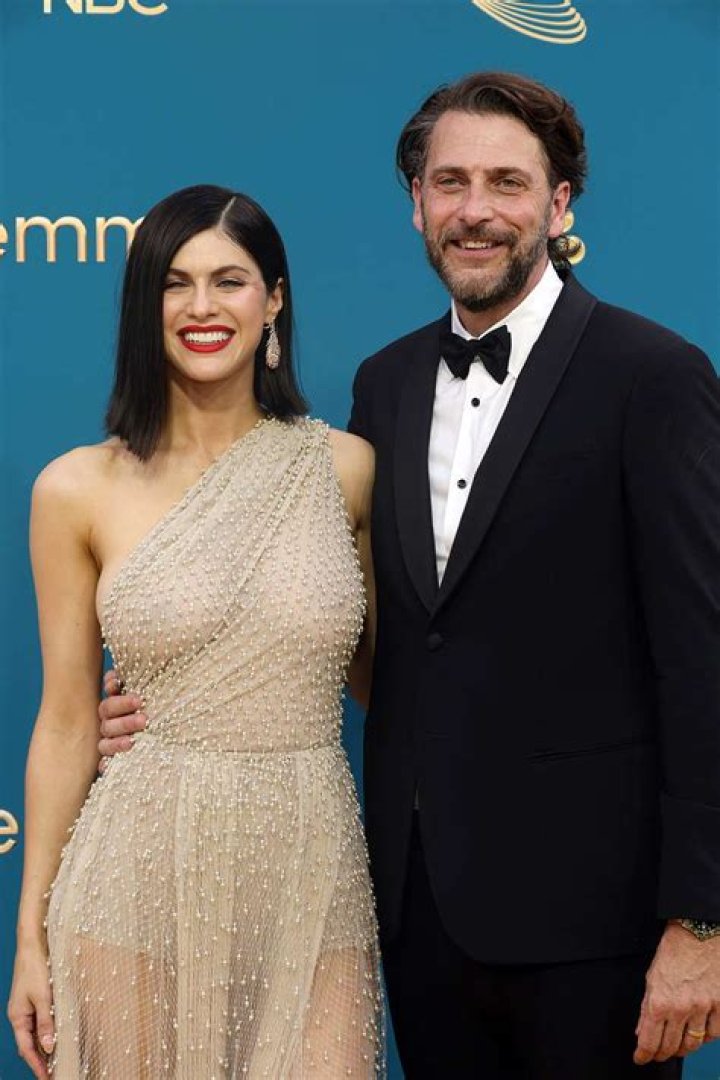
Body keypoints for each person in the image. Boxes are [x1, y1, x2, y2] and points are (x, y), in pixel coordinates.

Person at [97, 73, 720, 1078]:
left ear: (560, 205)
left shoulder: (653, 374)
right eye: (450, 182)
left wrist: (703, 918)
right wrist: (167, 702)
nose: (476, 210)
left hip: (597, 926)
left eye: (508, 183)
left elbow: (702, 660)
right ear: (417, 205)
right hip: (421, 914)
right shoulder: (384, 387)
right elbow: (359, 631)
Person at [8, 185, 383, 1079]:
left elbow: (389, 682)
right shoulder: (76, 488)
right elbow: (66, 722)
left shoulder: (346, 469)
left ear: (274, 299)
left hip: (311, 871)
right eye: (175, 284)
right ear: (146, 305)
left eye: (229, 280)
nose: (202, 307)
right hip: (134, 875)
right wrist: (28, 938)